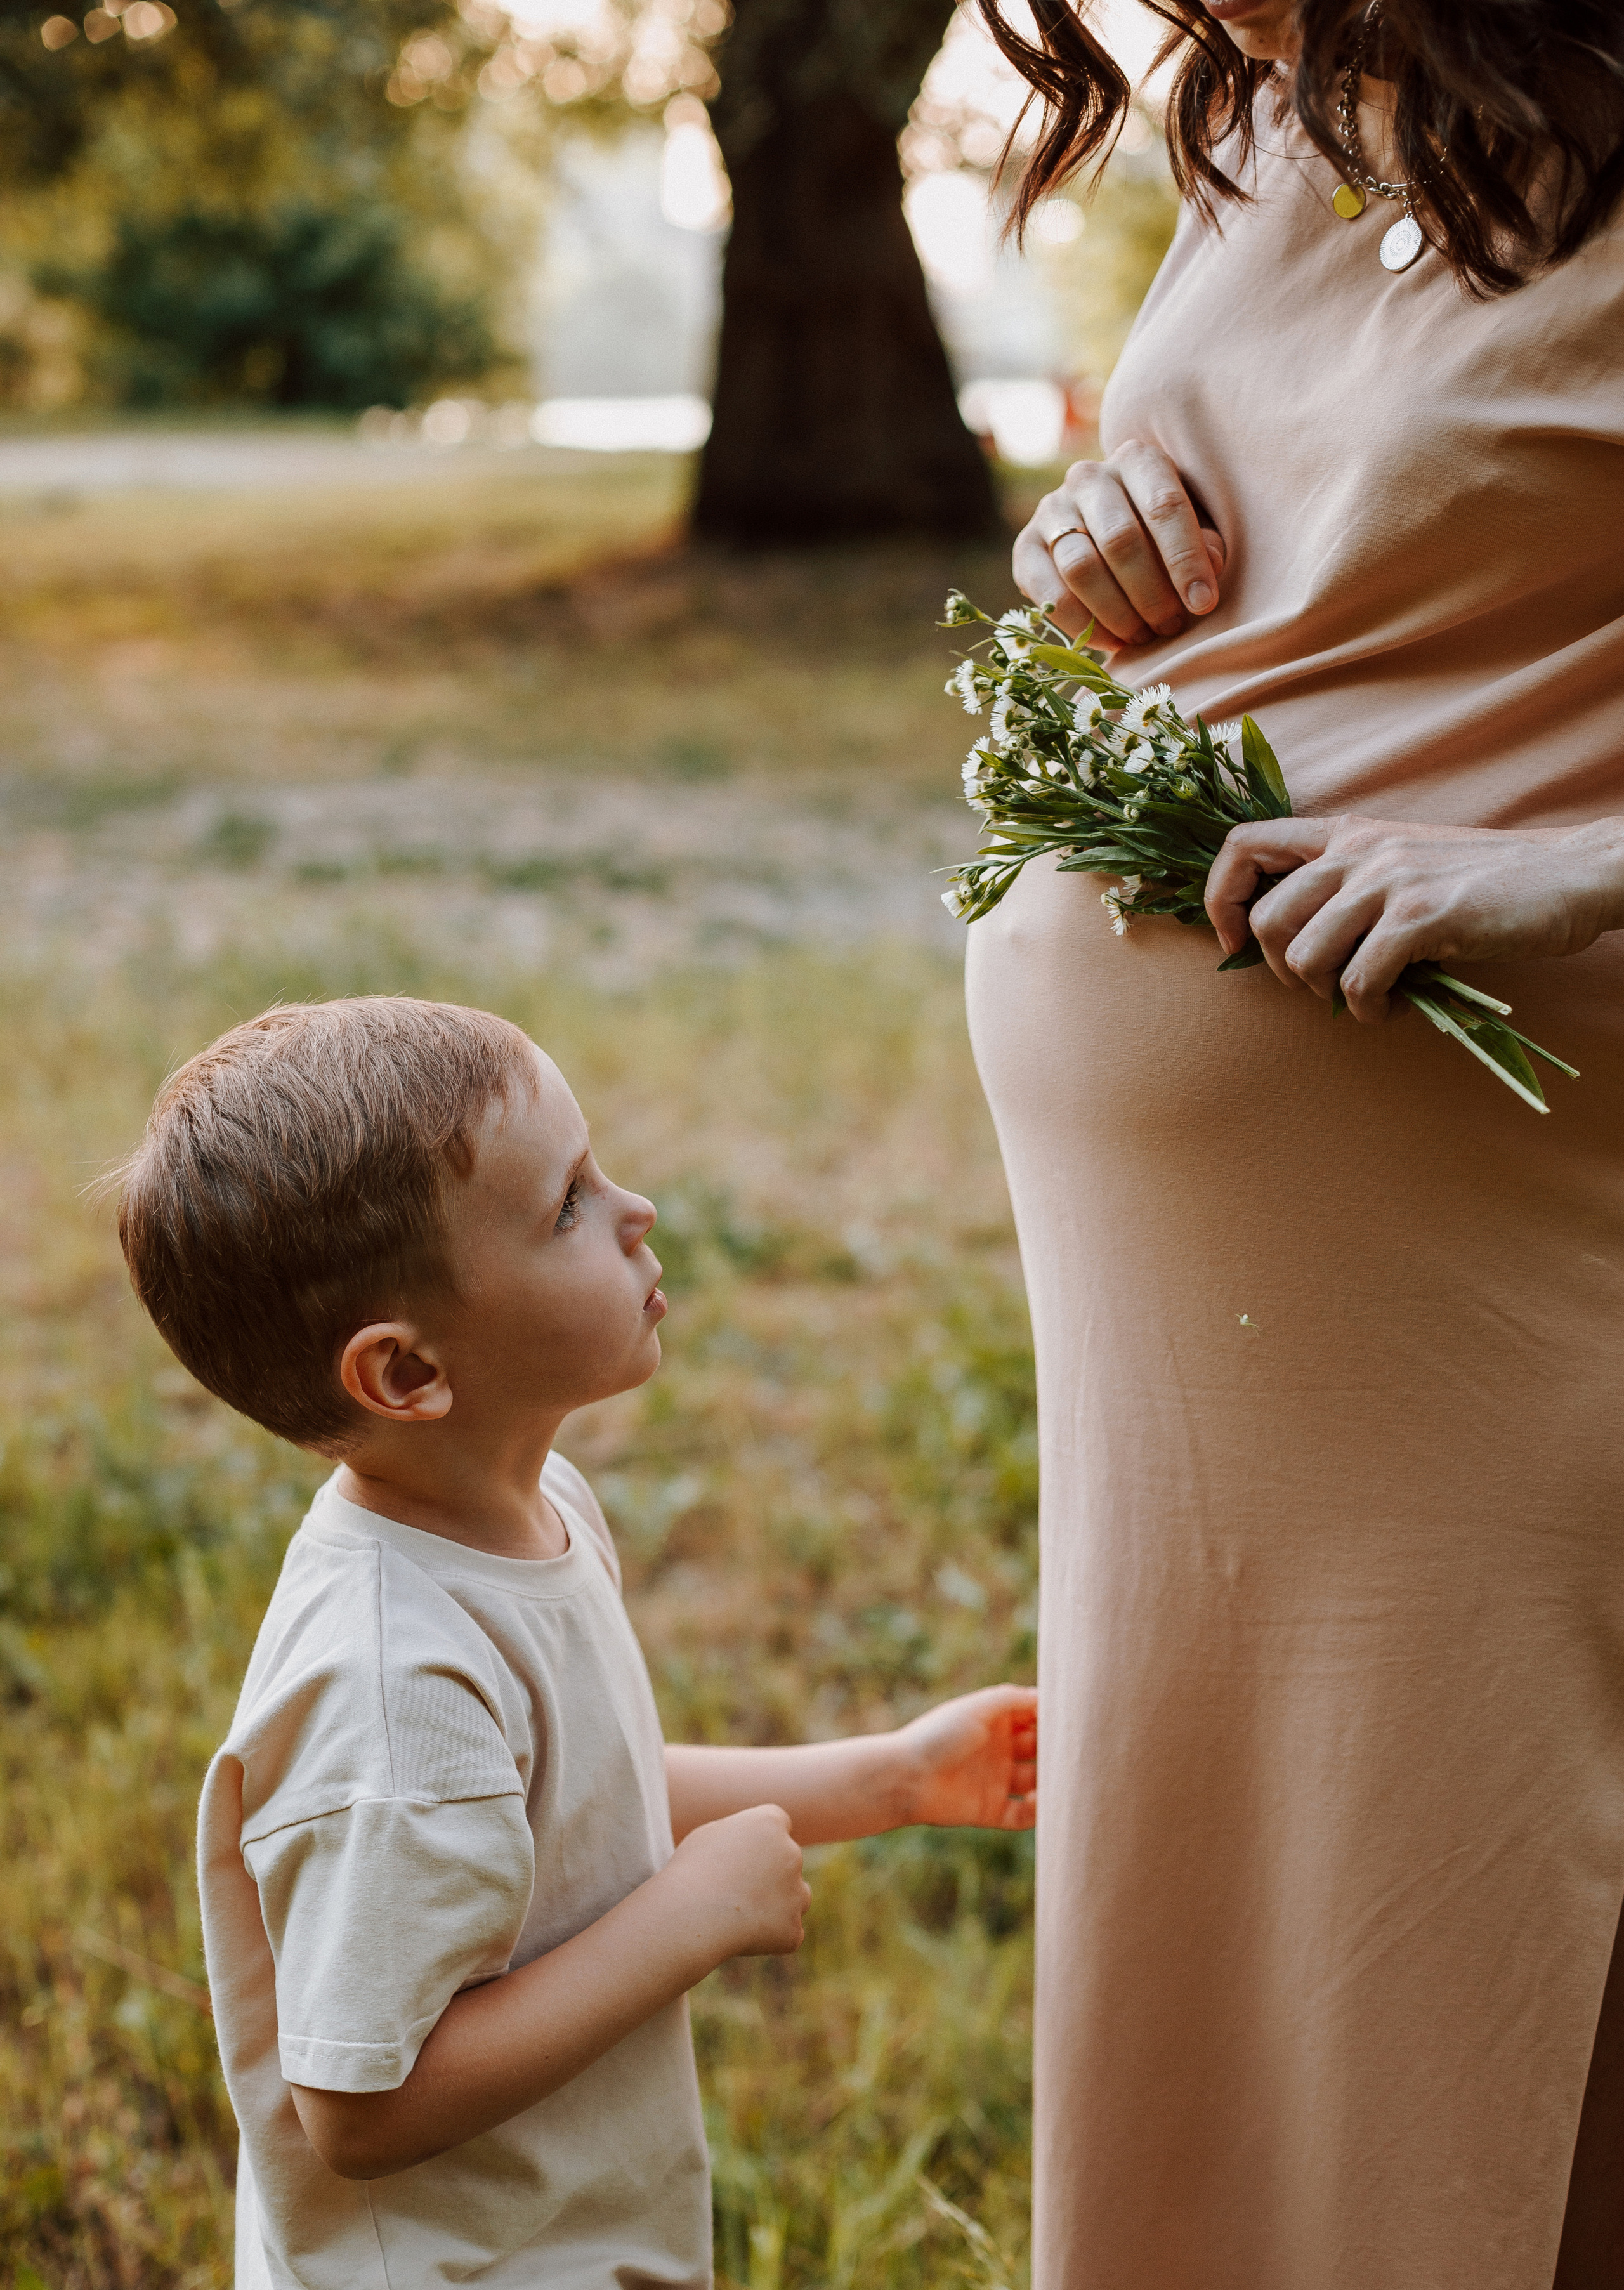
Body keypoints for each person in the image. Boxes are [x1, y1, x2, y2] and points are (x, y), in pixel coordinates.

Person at [961, 0, 1624, 2282]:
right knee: (1244, 1926)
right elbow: (1328, 560)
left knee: (1484, 1930)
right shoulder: (1269, 119)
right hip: (1205, 1360)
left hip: (1510, 1259)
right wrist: (1092, 542)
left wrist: (1565, 876)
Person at [114, 997, 1038, 2290]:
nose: (637, 1207)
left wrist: (887, 1776)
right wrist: (687, 1919)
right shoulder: (388, 1684)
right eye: (566, 1205)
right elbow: (360, 2104)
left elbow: (572, 1800)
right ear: (404, 1373)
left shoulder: (535, 1514)